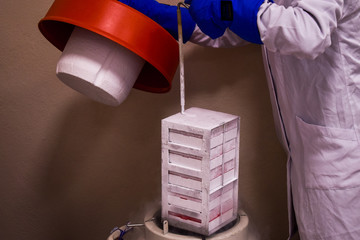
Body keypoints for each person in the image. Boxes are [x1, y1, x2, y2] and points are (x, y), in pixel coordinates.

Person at [118, 0, 360, 239]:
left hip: (341, 158)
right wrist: (168, 16)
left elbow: (307, 32)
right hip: (315, 150)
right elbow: (243, 27)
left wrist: (226, 6)